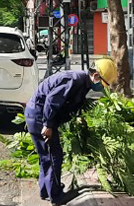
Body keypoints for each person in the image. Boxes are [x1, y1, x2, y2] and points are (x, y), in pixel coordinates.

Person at [24, 59, 117, 205]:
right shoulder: (74, 80)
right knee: (53, 155)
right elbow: (52, 100)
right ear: (96, 76)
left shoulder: (83, 83)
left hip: (39, 114)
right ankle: (56, 196)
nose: (101, 87)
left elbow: (70, 104)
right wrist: (47, 125)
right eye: (103, 83)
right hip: (39, 116)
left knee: (46, 154)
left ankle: (46, 191)